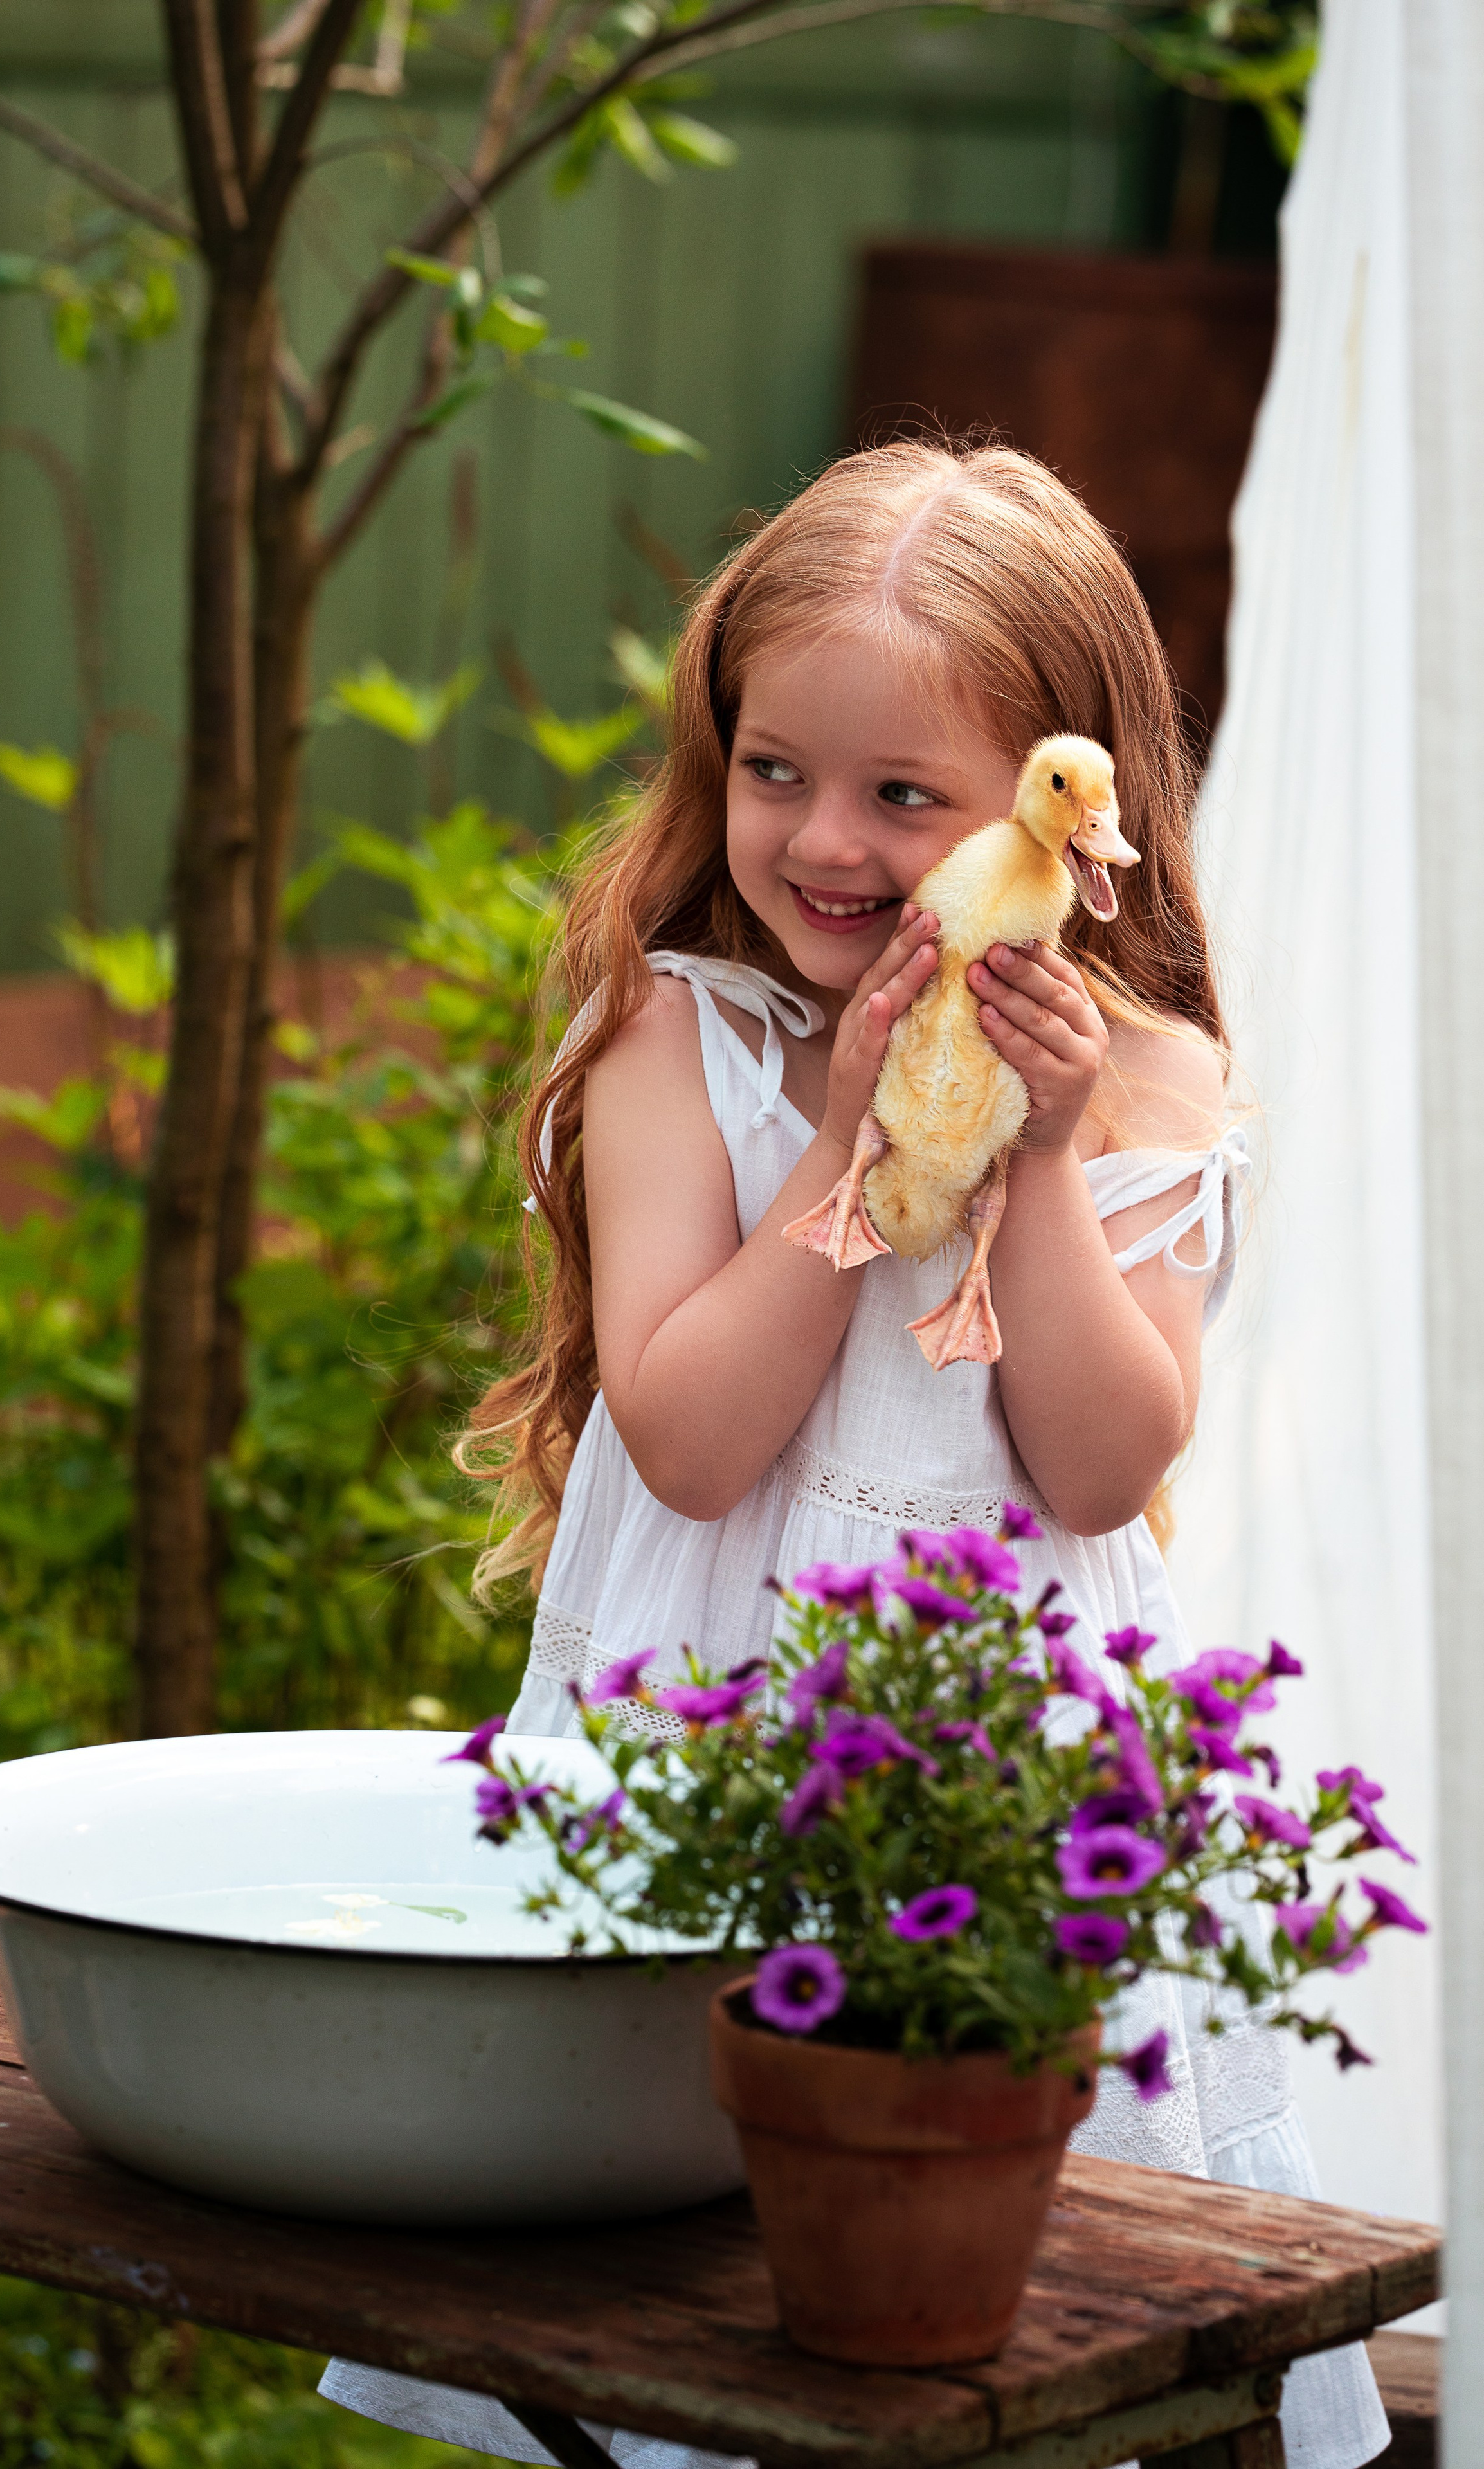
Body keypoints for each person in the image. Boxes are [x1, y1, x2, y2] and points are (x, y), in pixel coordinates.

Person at [320, 442, 1389, 2469]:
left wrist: (1038, 1155)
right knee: (688, 2303)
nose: (825, 840)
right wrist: (846, 1142)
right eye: (774, 767)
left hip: (994, 1790)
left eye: (907, 797)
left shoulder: (1141, 1081)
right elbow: (698, 1444)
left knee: (983, 2297)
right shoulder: (681, 1042)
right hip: (709, 1740)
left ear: (1069, 816)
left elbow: (1096, 1469)